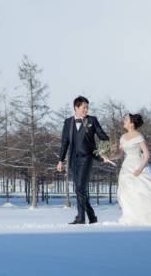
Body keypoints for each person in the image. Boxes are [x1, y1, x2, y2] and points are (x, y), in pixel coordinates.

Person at [56, 96, 109, 224]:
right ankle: (91, 215)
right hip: (73, 160)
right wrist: (60, 160)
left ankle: (81, 217)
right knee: (80, 189)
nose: (86, 109)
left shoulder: (91, 120)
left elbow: (104, 137)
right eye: (84, 107)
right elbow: (65, 142)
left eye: (87, 107)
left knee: (80, 187)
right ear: (76, 107)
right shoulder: (68, 122)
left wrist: (102, 152)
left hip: (87, 157)